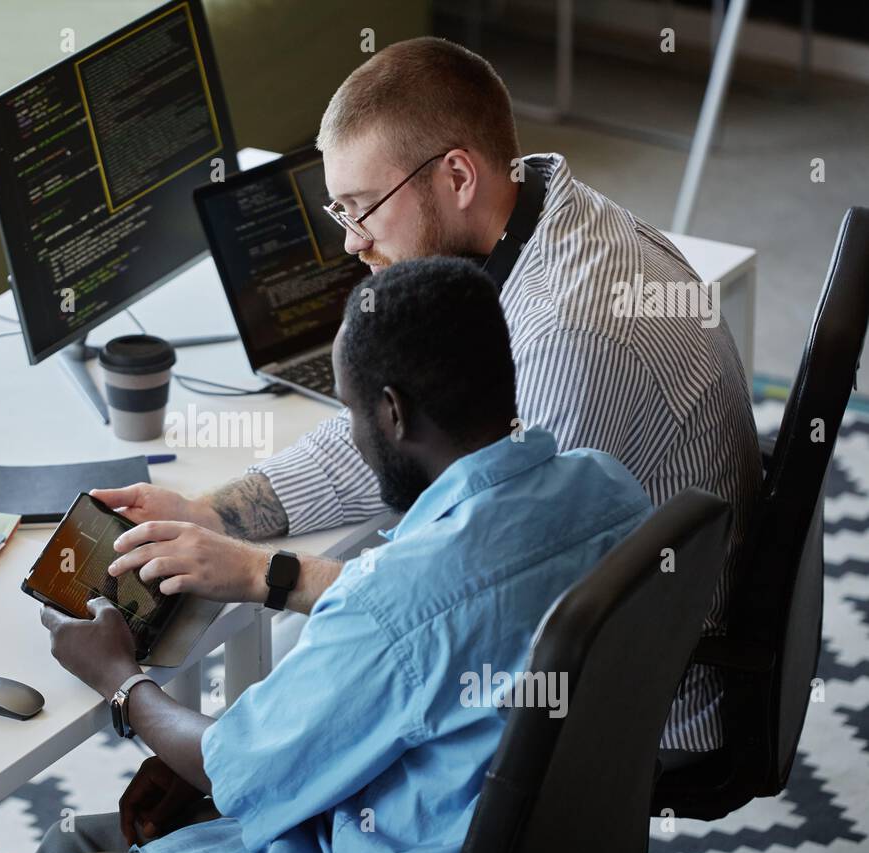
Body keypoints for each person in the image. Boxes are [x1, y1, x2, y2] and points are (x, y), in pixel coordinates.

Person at [92, 37, 760, 759]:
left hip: (636, 704)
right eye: (338, 211)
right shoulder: (536, 216)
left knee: (304, 698)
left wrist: (259, 573)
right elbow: (386, 439)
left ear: (458, 176)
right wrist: (209, 512)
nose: (351, 244)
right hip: (596, 628)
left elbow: (466, 590)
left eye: (363, 208)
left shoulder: (570, 332)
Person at [32, 257, 653, 853]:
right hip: (532, 835)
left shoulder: (390, 605)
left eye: (351, 411)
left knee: (67, 846)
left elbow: (239, 769)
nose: (353, 434)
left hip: (380, 845)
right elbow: (448, 616)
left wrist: (119, 679)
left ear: (392, 411)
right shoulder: (612, 489)